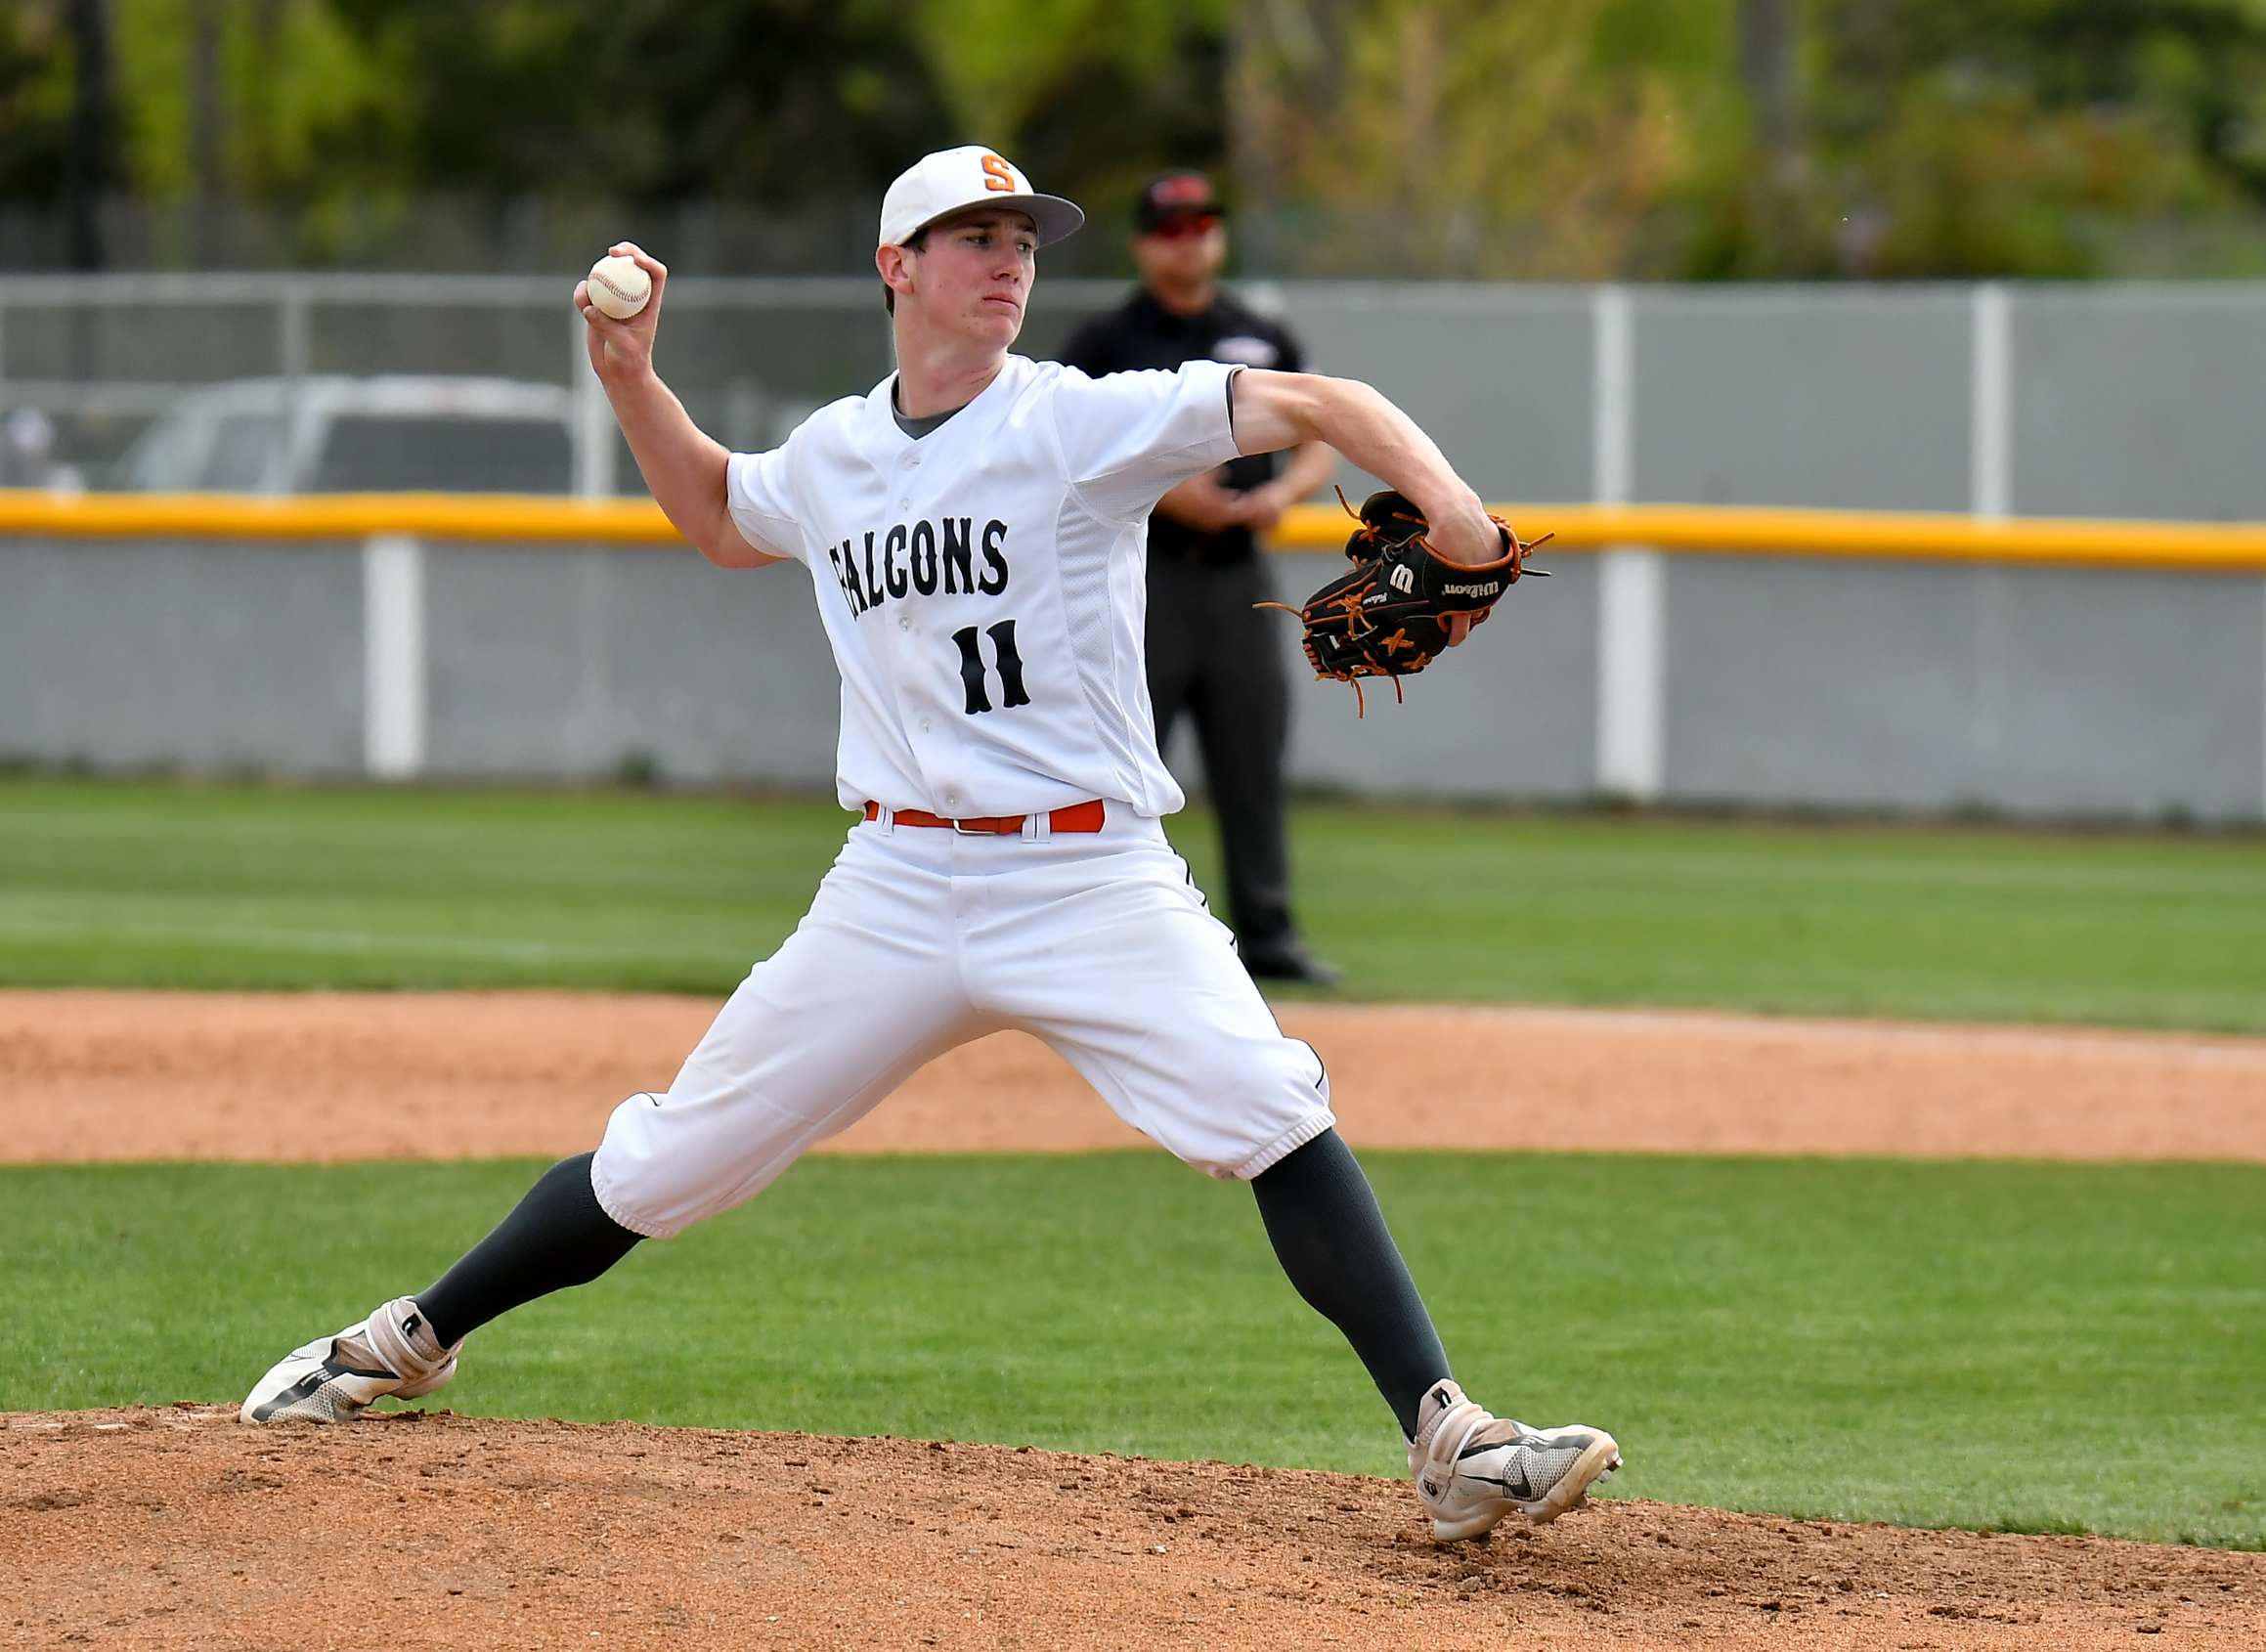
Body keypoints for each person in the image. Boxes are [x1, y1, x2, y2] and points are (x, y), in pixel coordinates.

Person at [238, 146, 1621, 1543]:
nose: (1009, 257)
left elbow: (1324, 401)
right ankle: (403, 1341)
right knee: (668, 1162)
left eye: (1022, 236)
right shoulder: (837, 452)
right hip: (892, 886)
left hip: (1086, 875)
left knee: (1269, 1108)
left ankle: (1448, 1436)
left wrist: (1451, 513)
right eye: (973, 234)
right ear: (896, 265)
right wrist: (629, 381)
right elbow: (720, 512)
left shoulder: (1083, 420)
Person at [1058, 172, 1339, 984]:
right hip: (1143, 579)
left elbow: (1319, 431)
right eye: (1173, 228)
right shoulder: (1106, 342)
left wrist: (1282, 492)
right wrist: (1174, 495)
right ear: (1144, 243)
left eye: (1205, 224)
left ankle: (1270, 935)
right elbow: (1066, 446)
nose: (1192, 240)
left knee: (1250, 753)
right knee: (1119, 765)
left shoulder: (1258, 334)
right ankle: (1099, 937)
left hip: (1240, 577)